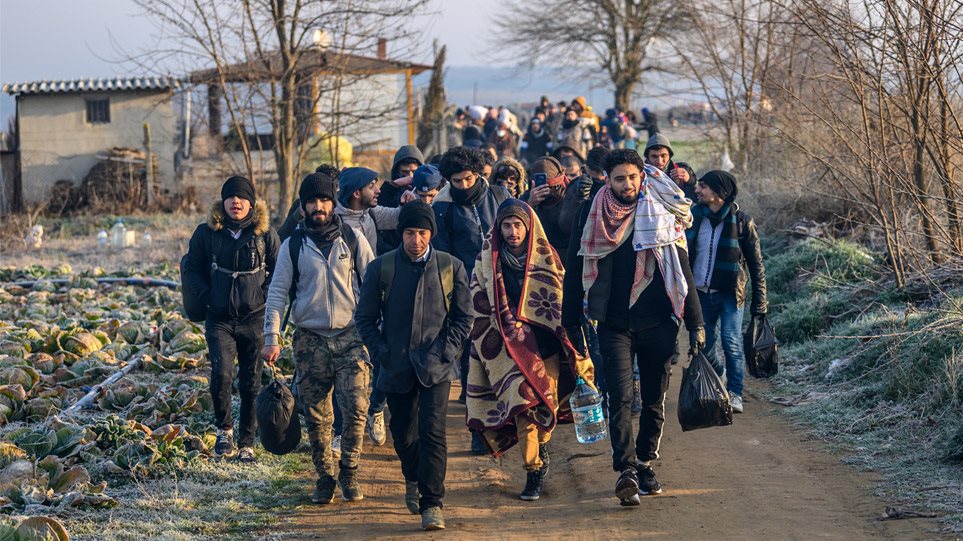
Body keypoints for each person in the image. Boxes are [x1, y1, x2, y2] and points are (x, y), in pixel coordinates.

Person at [561, 149, 704, 507]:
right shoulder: (591, 213)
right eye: (619, 178)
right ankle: (625, 470)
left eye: (633, 177)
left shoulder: (660, 210)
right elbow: (577, 265)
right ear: (606, 180)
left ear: (643, 176)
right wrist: (571, 320)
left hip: (659, 320)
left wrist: (696, 323)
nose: (628, 184)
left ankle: (644, 463)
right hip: (614, 322)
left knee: (654, 398)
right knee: (620, 397)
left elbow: (681, 268)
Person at [354, 201, 473, 531]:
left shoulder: (450, 267)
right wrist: (381, 353)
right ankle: (412, 477)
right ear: (401, 233)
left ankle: (432, 503)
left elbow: (464, 319)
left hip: (437, 367)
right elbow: (364, 318)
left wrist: (445, 352)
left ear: (430, 233)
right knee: (403, 435)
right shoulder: (382, 268)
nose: (416, 240)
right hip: (396, 365)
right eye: (409, 233)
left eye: (422, 233)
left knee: (433, 432)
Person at [466, 199, 595, 502]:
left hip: (546, 346)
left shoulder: (546, 256)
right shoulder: (488, 258)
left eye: (517, 225)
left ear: (528, 227)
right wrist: (507, 325)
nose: (512, 232)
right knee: (524, 410)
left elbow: (561, 299)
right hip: (509, 349)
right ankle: (533, 471)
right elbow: (478, 298)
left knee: (544, 408)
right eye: (506, 226)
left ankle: (542, 448)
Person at [261, 172, 375, 505]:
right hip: (309, 339)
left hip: (351, 336)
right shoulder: (293, 245)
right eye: (311, 201)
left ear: (333, 202)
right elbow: (278, 292)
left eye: (324, 200)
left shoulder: (352, 239)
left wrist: (376, 328)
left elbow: (372, 283)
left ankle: (350, 470)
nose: (318, 206)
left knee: (355, 407)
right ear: (303, 206)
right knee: (317, 415)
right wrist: (272, 335)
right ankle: (325, 477)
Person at [182, 176, 280, 462]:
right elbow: (192, 269)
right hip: (220, 319)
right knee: (222, 374)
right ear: (222, 202)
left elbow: (280, 274)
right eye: (230, 197)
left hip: (254, 319)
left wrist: (263, 297)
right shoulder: (206, 234)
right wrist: (207, 296)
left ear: (251, 202)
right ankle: (224, 431)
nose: (235, 202)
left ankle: (246, 441)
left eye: (241, 197)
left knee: (251, 381)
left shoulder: (266, 236)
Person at [431, 146, 510, 453]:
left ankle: (507, 422)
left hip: (504, 286)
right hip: (466, 291)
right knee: (473, 361)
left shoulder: (500, 197)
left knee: (506, 354)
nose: (463, 185)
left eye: (467, 179)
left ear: (479, 174)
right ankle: (479, 431)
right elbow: (444, 257)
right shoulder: (443, 207)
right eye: (456, 181)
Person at [686, 171, 767, 414]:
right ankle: (718, 372)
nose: (697, 190)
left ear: (719, 192)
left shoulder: (742, 221)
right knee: (704, 344)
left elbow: (756, 264)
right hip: (699, 292)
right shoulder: (692, 217)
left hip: (731, 293)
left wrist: (760, 302)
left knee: (730, 342)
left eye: (703, 187)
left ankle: (734, 393)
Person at [524, 156, 574, 262]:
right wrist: (530, 204)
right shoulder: (526, 198)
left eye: (551, 186)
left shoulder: (570, 197)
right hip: (537, 257)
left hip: (566, 257)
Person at [644, 133, 697, 201]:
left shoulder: (683, 169)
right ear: (648, 157)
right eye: (654, 156)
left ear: (670, 155)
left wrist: (689, 180)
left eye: (663, 156)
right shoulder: (640, 174)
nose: (659, 161)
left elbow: (697, 197)